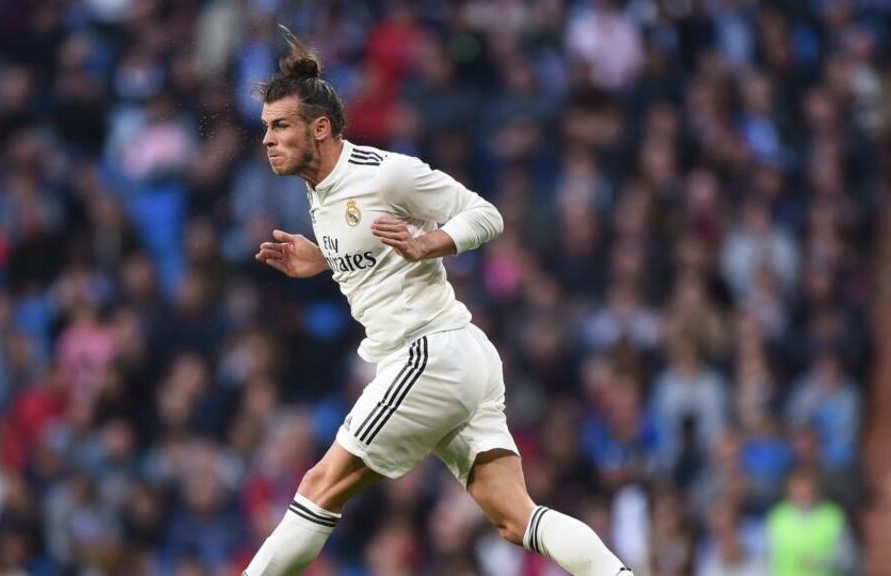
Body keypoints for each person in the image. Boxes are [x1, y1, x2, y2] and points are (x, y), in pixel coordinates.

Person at [246, 26, 630, 576]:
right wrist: (323, 258)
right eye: (266, 128)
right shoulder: (319, 192)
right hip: (463, 356)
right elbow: (368, 253)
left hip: (427, 354)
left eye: (280, 126)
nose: (267, 139)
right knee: (514, 518)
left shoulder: (385, 173)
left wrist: (432, 241)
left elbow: (485, 214)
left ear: (321, 128)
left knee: (318, 485)